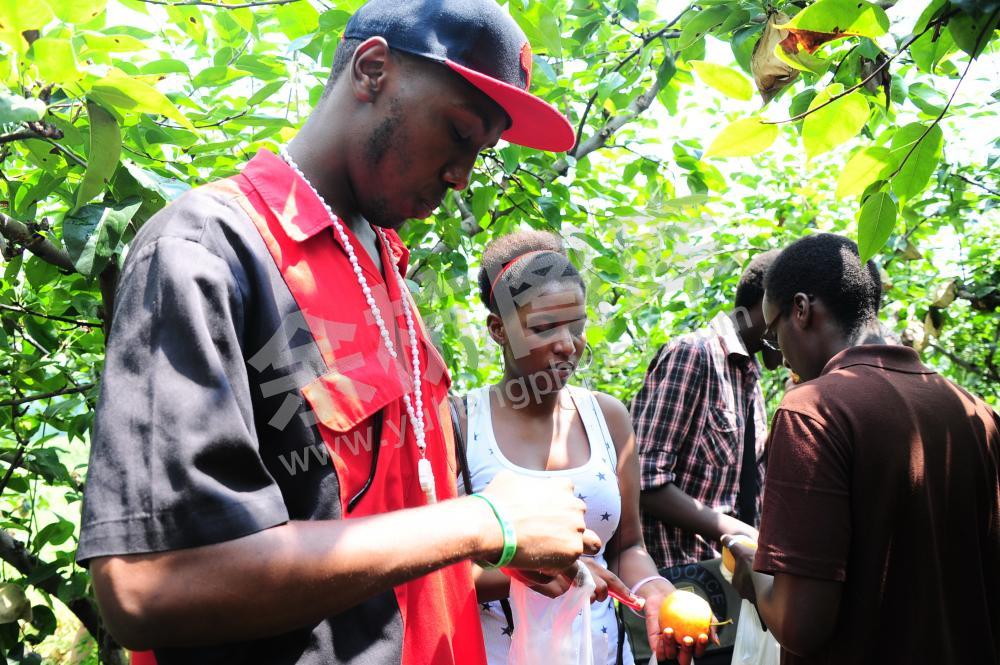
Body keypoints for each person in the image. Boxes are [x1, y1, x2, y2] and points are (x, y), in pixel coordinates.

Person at [76, 2, 604, 664]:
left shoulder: (385, 269)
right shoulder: (208, 250)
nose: (461, 176)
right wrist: (480, 521)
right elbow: (146, 587)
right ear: (373, 69)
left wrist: (501, 548)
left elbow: (381, 544)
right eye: (458, 134)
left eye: (480, 153)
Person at [726, 233, 1000, 665]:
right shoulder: (977, 413)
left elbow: (801, 625)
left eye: (775, 337)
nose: (780, 358)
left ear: (800, 310)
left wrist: (751, 573)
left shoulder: (814, 412)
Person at [451, 230, 708, 664]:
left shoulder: (607, 419)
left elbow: (627, 548)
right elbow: (444, 569)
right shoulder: (460, 423)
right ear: (499, 330)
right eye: (544, 326)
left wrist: (652, 588)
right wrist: (549, 570)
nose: (567, 343)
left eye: (577, 325)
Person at [632, 250, 783, 572]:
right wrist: (735, 531)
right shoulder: (694, 354)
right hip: (681, 577)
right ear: (769, 305)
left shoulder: (748, 373)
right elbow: (644, 480)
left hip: (728, 575)